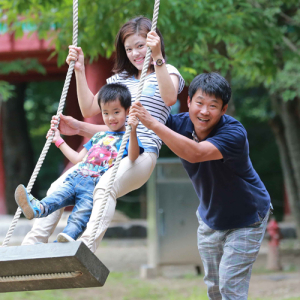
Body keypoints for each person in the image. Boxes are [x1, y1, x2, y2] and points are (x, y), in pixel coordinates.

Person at [21, 16, 184, 251]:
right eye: (129, 49)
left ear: (153, 42)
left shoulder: (167, 70)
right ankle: (31, 246)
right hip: (105, 150)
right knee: (58, 186)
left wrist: (157, 55)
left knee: (105, 186)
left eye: (140, 46)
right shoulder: (120, 79)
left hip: (139, 151)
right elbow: (90, 110)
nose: (135, 53)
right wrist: (80, 71)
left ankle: (86, 246)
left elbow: (169, 98)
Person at [130, 72, 272, 300]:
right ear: (188, 102)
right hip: (210, 219)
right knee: (214, 290)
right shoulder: (178, 125)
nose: (204, 111)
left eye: (213, 106)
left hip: (248, 218)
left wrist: (153, 124)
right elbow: (124, 129)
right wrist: (79, 127)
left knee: (230, 288)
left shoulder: (234, 133)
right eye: (199, 103)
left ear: (224, 109)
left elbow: (195, 153)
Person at [16, 83, 143, 243]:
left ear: (128, 111)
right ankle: (38, 208)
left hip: (94, 184)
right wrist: (58, 141)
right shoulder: (98, 137)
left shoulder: (128, 138)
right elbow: (78, 159)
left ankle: (67, 238)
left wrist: (133, 130)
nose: (111, 118)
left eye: (116, 112)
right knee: (57, 197)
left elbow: (133, 157)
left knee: (81, 213)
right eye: (106, 113)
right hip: (76, 176)